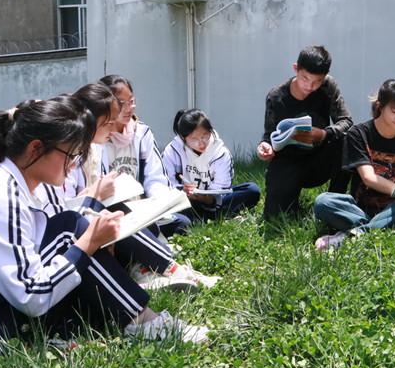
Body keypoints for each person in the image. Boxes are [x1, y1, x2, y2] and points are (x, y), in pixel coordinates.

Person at [0, 98, 208, 344]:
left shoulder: (25, 184)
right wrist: (88, 244)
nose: (74, 164)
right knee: (71, 232)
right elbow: (32, 295)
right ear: (36, 149)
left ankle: (137, 314)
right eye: (71, 154)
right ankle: (145, 322)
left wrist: (92, 242)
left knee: (74, 227)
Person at [53, 84, 212, 291]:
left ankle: (156, 269)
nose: (114, 128)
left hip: (116, 211)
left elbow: (155, 177)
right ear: (91, 121)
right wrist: (95, 196)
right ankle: (162, 270)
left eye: (131, 102)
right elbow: (65, 210)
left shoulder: (102, 145)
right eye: (109, 122)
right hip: (80, 229)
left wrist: (156, 202)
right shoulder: (72, 154)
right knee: (117, 213)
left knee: (149, 218)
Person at [313, 79, 395, 250]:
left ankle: (351, 236)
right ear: (380, 106)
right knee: (323, 202)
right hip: (358, 209)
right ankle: (373, 230)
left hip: (394, 210)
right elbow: (369, 178)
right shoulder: (359, 134)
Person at [256, 46, 353, 219]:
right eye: (305, 79)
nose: (310, 86)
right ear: (296, 69)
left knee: (348, 141)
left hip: (319, 158)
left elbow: (346, 121)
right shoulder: (276, 96)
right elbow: (269, 135)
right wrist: (265, 147)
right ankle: (291, 199)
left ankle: (334, 203)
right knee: (275, 216)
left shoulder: (328, 86)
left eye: (317, 81)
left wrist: (323, 134)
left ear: (325, 76)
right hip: (288, 161)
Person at [98, 75, 192, 237]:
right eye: (121, 103)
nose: (129, 108)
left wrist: (159, 204)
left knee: (181, 223)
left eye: (131, 101)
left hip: (141, 207)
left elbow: (155, 177)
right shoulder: (98, 138)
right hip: (111, 211)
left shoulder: (141, 132)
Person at [162, 108, 261, 227]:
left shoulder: (220, 153)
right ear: (183, 138)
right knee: (172, 207)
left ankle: (200, 219)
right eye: (194, 139)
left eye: (205, 136)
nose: (201, 143)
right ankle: (209, 218)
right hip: (184, 201)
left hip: (214, 203)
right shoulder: (172, 151)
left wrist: (208, 199)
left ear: (210, 131)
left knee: (252, 190)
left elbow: (222, 189)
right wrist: (183, 191)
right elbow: (165, 184)